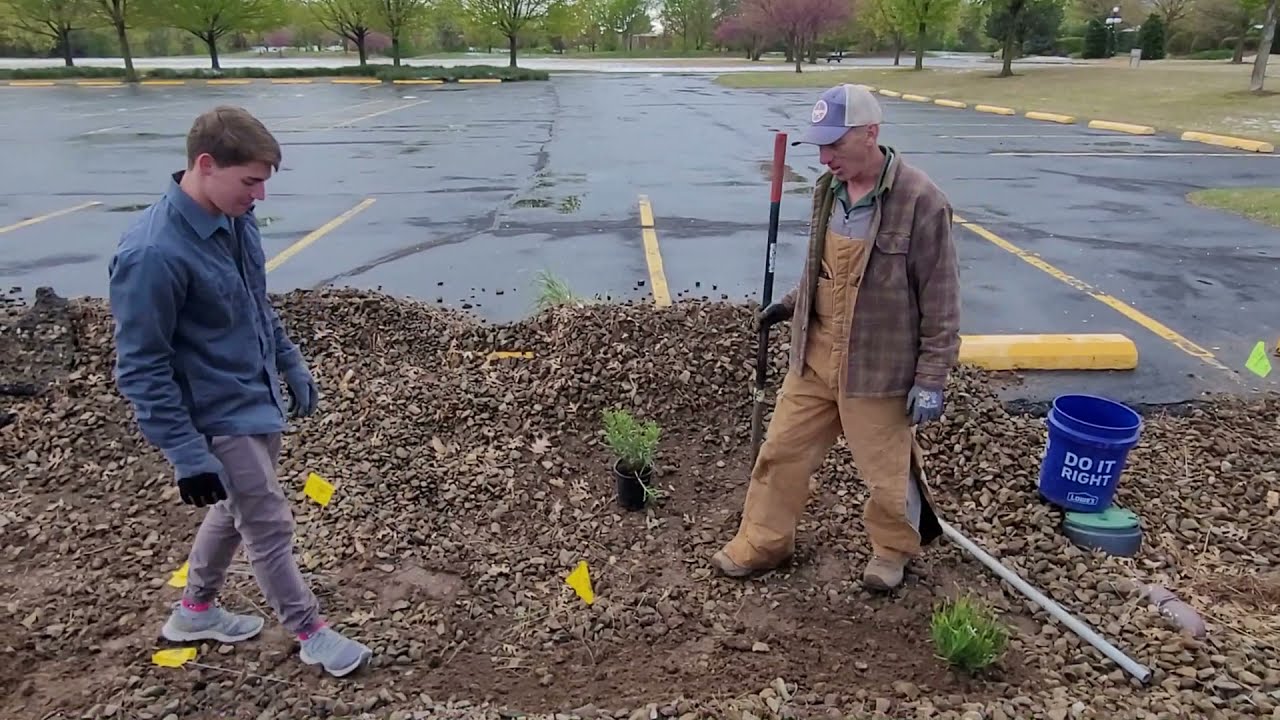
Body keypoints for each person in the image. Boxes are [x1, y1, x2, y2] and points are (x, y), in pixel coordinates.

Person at [108, 106, 373, 678]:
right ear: (205, 165)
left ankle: (194, 610)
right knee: (267, 521)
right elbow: (140, 368)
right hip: (213, 415)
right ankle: (310, 631)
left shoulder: (234, 220)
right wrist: (186, 455)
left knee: (234, 512)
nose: (259, 197)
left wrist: (289, 361)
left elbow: (256, 303)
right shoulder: (152, 254)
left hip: (254, 397)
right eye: (250, 181)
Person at [711, 84, 959, 591]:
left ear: (871, 134)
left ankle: (893, 552)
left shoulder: (922, 201)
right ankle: (764, 541)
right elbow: (821, 267)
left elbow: (941, 299)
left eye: (835, 145)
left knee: (887, 474)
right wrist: (792, 302)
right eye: (819, 147)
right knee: (781, 451)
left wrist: (932, 376)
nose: (825, 158)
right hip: (817, 353)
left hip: (878, 366)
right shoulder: (829, 191)